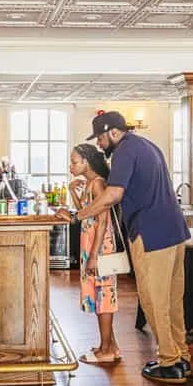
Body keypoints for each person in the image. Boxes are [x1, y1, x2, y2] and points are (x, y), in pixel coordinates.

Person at [57, 111, 191, 384]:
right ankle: (181, 356)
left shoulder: (125, 152)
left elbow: (113, 195)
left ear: (113, 133)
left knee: (154, 301)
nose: (100, 145)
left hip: (151, 233)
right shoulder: (147, 145)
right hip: (174, 230)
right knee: (173, 299)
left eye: (101, 139)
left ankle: (169, 361)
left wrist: (77, 216)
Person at [66, 143, 121, 364]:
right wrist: (72, 190)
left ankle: (106, 350)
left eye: (75, 162)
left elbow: (103, 220)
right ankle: (110, 346)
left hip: (100, 248)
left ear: (87, 161)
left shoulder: (98, 184)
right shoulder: (90, 184)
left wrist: (95, 255)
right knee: (101, 296)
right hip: (93, 246)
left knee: (104, 297)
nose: (71, 166)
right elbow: (85, 213)